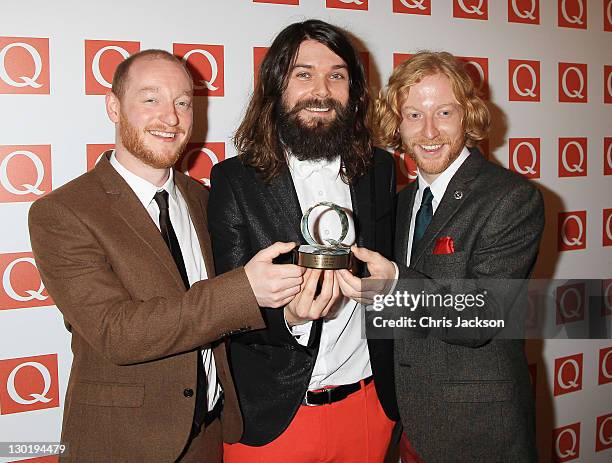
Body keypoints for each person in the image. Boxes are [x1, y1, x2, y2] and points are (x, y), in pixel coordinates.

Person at [28, 49, 304, 462]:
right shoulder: (64, 212)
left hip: (209, 436)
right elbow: (116, 333)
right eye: (150, 98)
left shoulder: (203, 200)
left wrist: (290, 313)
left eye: (182, 103)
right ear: (113, 107)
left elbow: (223, 316)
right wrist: (246, 290)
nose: (171, 118)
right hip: (122, 445)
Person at [338, 51, 544, 462]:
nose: (429, 131)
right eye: (413, 115)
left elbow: (482, 314)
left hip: (480, 434)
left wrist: (396, 286)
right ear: (397, 122)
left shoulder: (511, 198)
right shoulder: (399, 203)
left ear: (468, 115)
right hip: (407, 425)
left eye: (444, 112)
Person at [207, 20, 398, 463]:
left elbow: (389, 280)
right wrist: (288, 315)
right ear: (276, 86)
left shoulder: (382, 170)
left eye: (337, 75)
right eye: (303, 74)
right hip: (275, 418)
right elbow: (224, 307)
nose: (322, 90)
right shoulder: (233, 180)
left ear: (354, 90)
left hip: (369, 408)